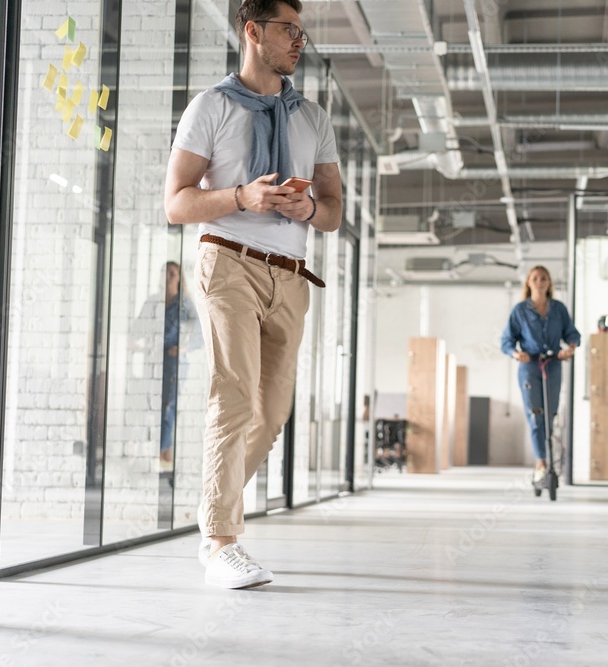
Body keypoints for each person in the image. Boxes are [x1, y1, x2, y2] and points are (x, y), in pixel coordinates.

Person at [164, 0, 342, 589]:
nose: (300, 41)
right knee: (234, 394)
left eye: (301, 31)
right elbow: (178, 203)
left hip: (291, 273)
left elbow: (335, 211)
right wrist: (243, 197)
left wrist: (308, 206)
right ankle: (219, 542)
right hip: (229, 261)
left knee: (270, 414)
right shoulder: (211, 107)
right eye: (289, 30)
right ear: (252, 32)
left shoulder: (312, 117)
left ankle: (213, 505)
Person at [500, 266, 581, 484]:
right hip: (530, 366)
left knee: (550, 415)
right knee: (535, 416)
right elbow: (507, 341)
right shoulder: (520, 311)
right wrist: (517, 354)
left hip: (553, 365)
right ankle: (541, 462)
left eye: (544, 278)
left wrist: (569, 348)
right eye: (535, 278)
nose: (540, 282)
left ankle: (548, 459)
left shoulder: (559, 309)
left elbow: (571, 333)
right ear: (528, 282)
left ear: (549, 283)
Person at [159, 261, 200, 466]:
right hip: (155, 362)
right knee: (155, 405)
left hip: (175, 362)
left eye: (172, 274)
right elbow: (138, 327)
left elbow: (200, 335)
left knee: (168, 405)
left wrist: (183, 348)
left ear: (179, 277)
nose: (168, 278)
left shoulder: (185, 304)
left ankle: (160, 449)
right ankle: (164, 449)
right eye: (165, 273)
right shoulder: (154, 302)